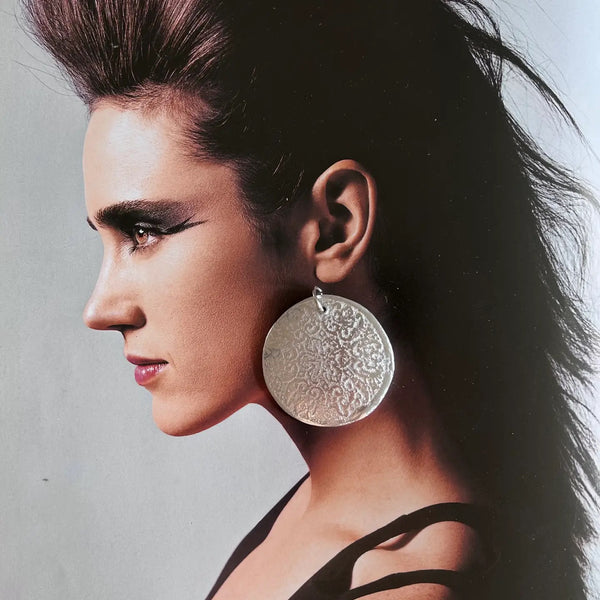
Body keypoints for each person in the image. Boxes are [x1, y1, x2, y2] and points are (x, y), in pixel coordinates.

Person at [24, 0, 598, 598]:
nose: (101, 310)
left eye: (145, 233)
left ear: (333, 227)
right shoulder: (319, 520)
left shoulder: (406, 585)